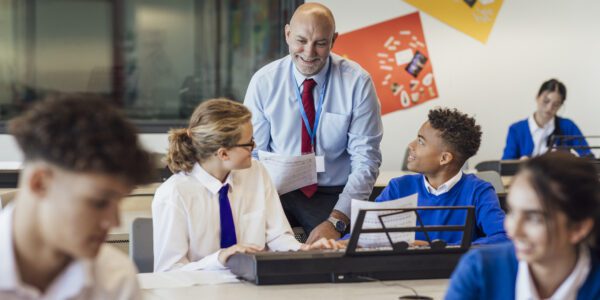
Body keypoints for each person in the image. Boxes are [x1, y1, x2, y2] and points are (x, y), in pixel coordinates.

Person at [244, 2, 383, 243]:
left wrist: (337, 220)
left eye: (320, 43)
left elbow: (366, 160)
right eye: (301, 41)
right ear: (287, 34)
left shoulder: (357, 82)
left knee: (335, 259)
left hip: (333, 194)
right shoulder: (264, 82)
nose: (309, 53)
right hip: (277, 191)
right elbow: (253, 154)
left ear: (334, 40)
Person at [152, 98, 339, 272]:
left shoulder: (256, 172)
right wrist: (219, 259)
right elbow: (169, 271)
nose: (254, 147)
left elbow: (277, 236)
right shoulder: (173, 194)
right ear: (223, 154)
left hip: (254, 287)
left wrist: (305, 251)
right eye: (248, 144)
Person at [0, 95, 155, 299]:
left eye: (118, 203)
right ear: (40, 183)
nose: (113, 222)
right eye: (99, 203)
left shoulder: (116, 279)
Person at [446, 152, 600, 299]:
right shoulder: (479, 270)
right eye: (512, 212)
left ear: (579, 228)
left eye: (534, 218)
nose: (513, 231)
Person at [374, 108, 508, 245]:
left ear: (444, 158)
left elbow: (505, 237)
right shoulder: (398, 188)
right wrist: (350, 240)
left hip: (455, 266)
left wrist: (438, 249)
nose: (411, 145)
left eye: (421, 142)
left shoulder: (478, 191)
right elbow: (362, 234)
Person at [502, 79, 593, 160]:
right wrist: (519, 164)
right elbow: (505, 165)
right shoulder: (516, 129)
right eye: (546, 101)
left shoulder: (568, 126)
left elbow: (588, 156)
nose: (549, 108)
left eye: (556, 104)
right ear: (537, 97)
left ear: (560, 105)